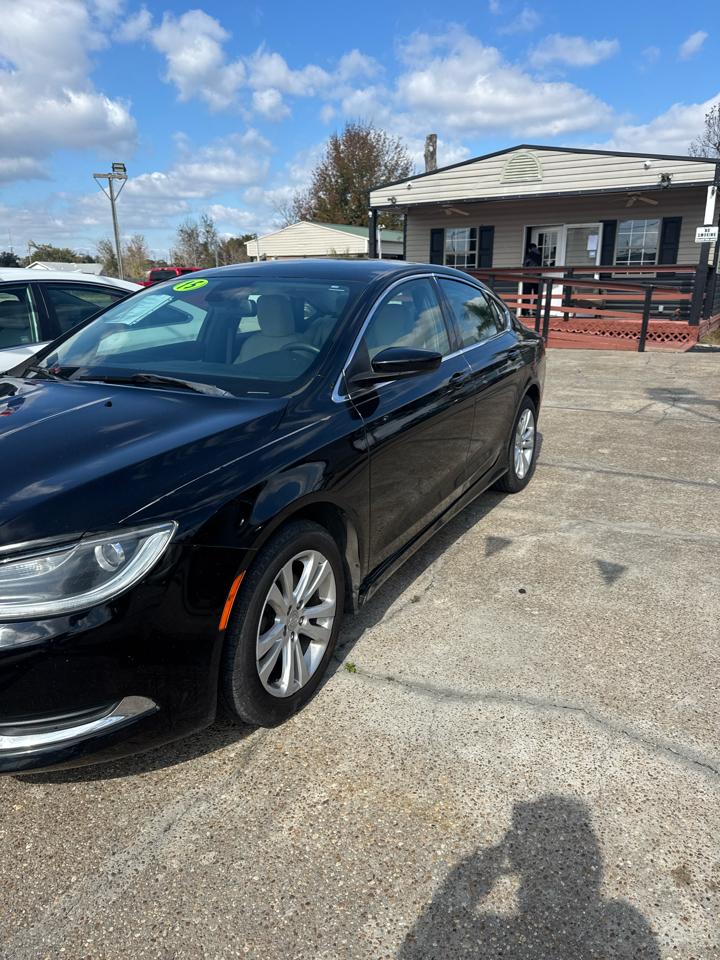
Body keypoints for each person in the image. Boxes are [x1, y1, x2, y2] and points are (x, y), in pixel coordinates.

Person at [522, 243, 542, 316]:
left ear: (529, 249)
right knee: (537, 295)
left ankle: (526, 312)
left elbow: (525, 265)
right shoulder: (539, 255)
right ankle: (535, 311)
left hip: (528, 277)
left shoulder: (528, 255)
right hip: (537, 278)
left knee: (527, 295)